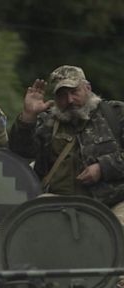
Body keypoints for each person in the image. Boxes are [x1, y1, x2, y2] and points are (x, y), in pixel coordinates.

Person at [9, 65, 124, 224]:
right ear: (55, 99)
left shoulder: (115, 114)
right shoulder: (47, 121)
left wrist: (103, 167)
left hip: (113, 201)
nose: (69, 100)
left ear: (87, 88)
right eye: (62, 95)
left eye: (74, 92)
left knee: (119, 231)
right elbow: (20, 153)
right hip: (58, 202)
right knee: (33, 229)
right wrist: (28, 116)